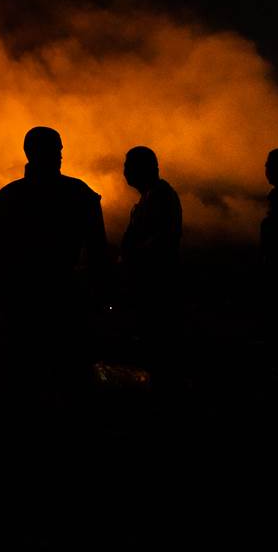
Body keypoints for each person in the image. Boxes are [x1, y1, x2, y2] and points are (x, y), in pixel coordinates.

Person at [0, 126, 108, 394]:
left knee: (24, 378)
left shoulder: (5, 199)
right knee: (67, 380)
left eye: (60, 148)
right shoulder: (80, 195)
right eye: (56, 148)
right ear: (35, 152)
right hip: (63, 301)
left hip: (21, 304)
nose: (61, 154)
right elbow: (99, 253)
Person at [119, 146, 183, 391]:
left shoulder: (160, 197)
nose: (124, 172)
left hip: (156, 288)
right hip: (150, 287)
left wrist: (132, 258)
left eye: (128, 166)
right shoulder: (153, 196)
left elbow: (163, 240)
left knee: (157, 348)